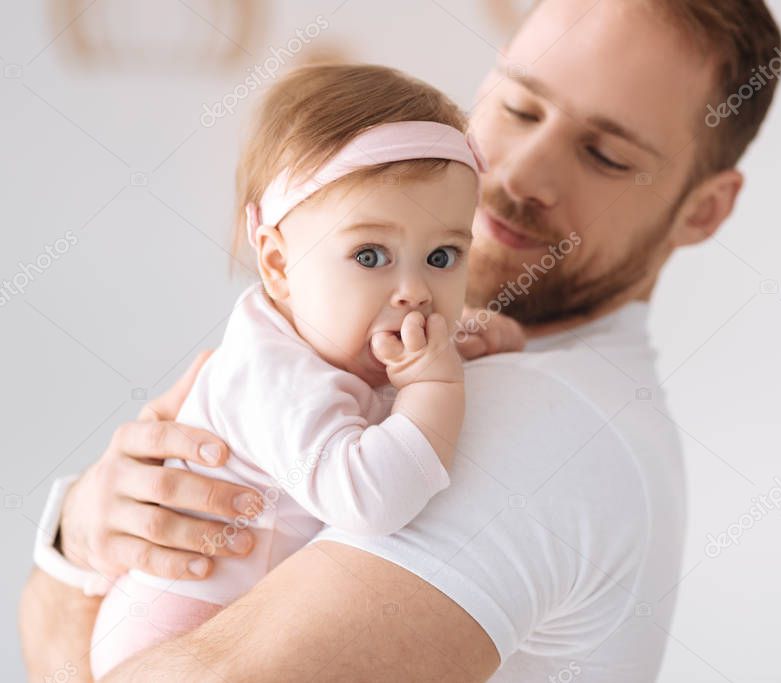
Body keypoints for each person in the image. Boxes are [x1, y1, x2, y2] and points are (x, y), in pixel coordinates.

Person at [19, 0, 781, 680]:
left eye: (606, 155)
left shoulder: (536, 413)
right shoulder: (422, 351)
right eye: (518, 109)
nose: (519, 174)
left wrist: (64, 584)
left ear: (704, 210)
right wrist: (80, 532)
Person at [85, 63, 516, 678]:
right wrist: (435, 385)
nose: (415, 292)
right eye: (370, 255)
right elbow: (372, 498)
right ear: (280, 264)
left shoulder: (333, 335)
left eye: (442, 256)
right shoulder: (272, 377)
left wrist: (467, 331)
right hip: (176, 635)